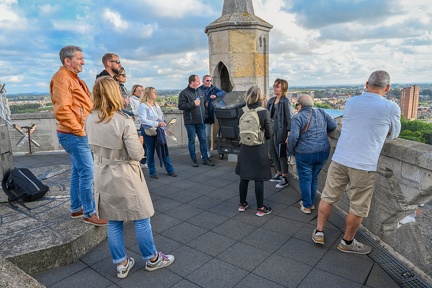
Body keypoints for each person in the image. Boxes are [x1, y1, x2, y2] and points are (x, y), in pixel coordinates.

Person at [85, 77, 174, 279]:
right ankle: (152, 259)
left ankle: (121, 264)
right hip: (124, 173)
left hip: (103, 173)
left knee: (114, 221)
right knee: (141, 219)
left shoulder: (89, 118)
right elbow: (136, 154)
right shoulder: (122, 120)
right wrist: (140, 141)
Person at [312, 70, 401, 254]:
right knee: (357, 206)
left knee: (328, 196)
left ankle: (319, 231)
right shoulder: (391, 107)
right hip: (364, 164)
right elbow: (394, 135)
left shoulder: (351, 102)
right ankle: (347, 242)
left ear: (366, 84)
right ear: (387, 88)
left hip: (340, 158)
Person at [49, 45, 107, 226]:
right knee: (88, 173)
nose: (83, 61)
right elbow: (63, 110)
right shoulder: (62, 78)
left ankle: (76, 209)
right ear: (68, 61)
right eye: (79, 58)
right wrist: (81, 131)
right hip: (74, 134)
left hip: (76, 133)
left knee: (77, 171)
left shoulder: (73, 78)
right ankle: (89, 213)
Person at [287, 95, 337, 214]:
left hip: (305, 153)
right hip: (323, 151)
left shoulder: (297, 117)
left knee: (305, 179)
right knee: (313, 178)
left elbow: (293, 137)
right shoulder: (321, 112)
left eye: (296, 105)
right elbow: (333, 126)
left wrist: (291, 151)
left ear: (300, 105)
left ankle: (307, 205)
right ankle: (312, 202)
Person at [235, 85, 273, 217]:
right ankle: (260, 208)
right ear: (260, 97)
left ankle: (242, 204)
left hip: (245, 147)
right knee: (258, 179)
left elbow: (238, 129)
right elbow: (269, 133)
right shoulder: (263, 112)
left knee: (244, 177)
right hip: (259, 148)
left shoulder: (242, 110)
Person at [138, 87, 177, 179]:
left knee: (163, 149)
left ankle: (170, 170)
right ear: (148, 94)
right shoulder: (143, 106)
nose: (156, 94)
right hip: (148, 131)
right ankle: (152, 172)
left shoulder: (156, 105)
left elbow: (160, 117)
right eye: (153, 92)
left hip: (158, 130)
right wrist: (157, 123)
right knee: (150, 151)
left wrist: (161, 124)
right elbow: (143, 120)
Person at [178, 75, 215, 167]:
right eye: (198, 81)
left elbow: (205, 103)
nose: (199, 83)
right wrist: (193, 104)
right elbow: (181, 106)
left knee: (203, 140)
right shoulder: (184, 93)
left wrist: (205, 114)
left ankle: (205, 158)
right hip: (190, 122)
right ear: (192, 82)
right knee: (192, 141)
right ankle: (193, 159)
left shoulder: (200, 91)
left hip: (201, 121)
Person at [267, 78, 294, 189]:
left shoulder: (285, 101)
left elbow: (290, 119)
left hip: (281, 131)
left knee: (281, 154)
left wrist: (289, 133)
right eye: (274, 86)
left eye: (277, 87)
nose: (275, 88)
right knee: (272, 152)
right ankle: (278, 172)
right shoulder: (271, 100)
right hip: (270, 130)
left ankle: (284, 177)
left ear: (283, 89)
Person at [199, 75, 226, 158]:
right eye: (207, 80)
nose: (209, 82)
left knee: (207, 135)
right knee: (201, 136)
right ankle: (203, 151)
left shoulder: (214, 89)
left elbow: (223, 92)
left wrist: (216, 95)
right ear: (203, 81)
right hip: (200, 115)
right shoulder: (199, 89)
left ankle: (207, 151)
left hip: (209, 115)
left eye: (210, 81)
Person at [129, 84, 147, 168]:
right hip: (135, 125)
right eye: (139, 90)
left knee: (144, 144)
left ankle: (143, 161)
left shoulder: (144, 100)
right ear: (134, 91)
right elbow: (131, 111)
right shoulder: (131, 99)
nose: (141, 92)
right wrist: (141, 112)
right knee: (137, 144)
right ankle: (136, 162)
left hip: (143, 124)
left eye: (142, 90)